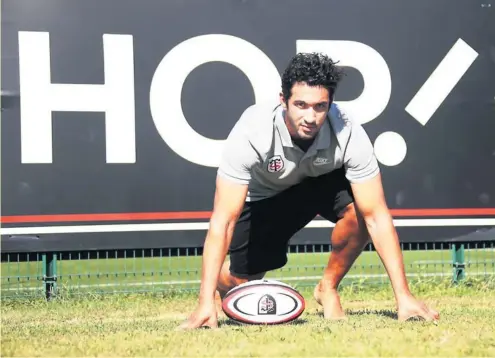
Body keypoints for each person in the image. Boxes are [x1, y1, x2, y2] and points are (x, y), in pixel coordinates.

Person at [179, 52, 439, 330]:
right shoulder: (252, 132)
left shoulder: (347, 129)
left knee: (361, 214)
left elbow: (376, 214)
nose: (310, 117)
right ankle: (221, 284)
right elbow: (224, 220)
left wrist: (404, 297)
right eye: (300, 105)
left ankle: (327, 288)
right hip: (265, 198)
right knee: (240, 284)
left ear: (330, 104)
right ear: (283, 101)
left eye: (319, 106)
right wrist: (205, 300)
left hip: (320, 182)